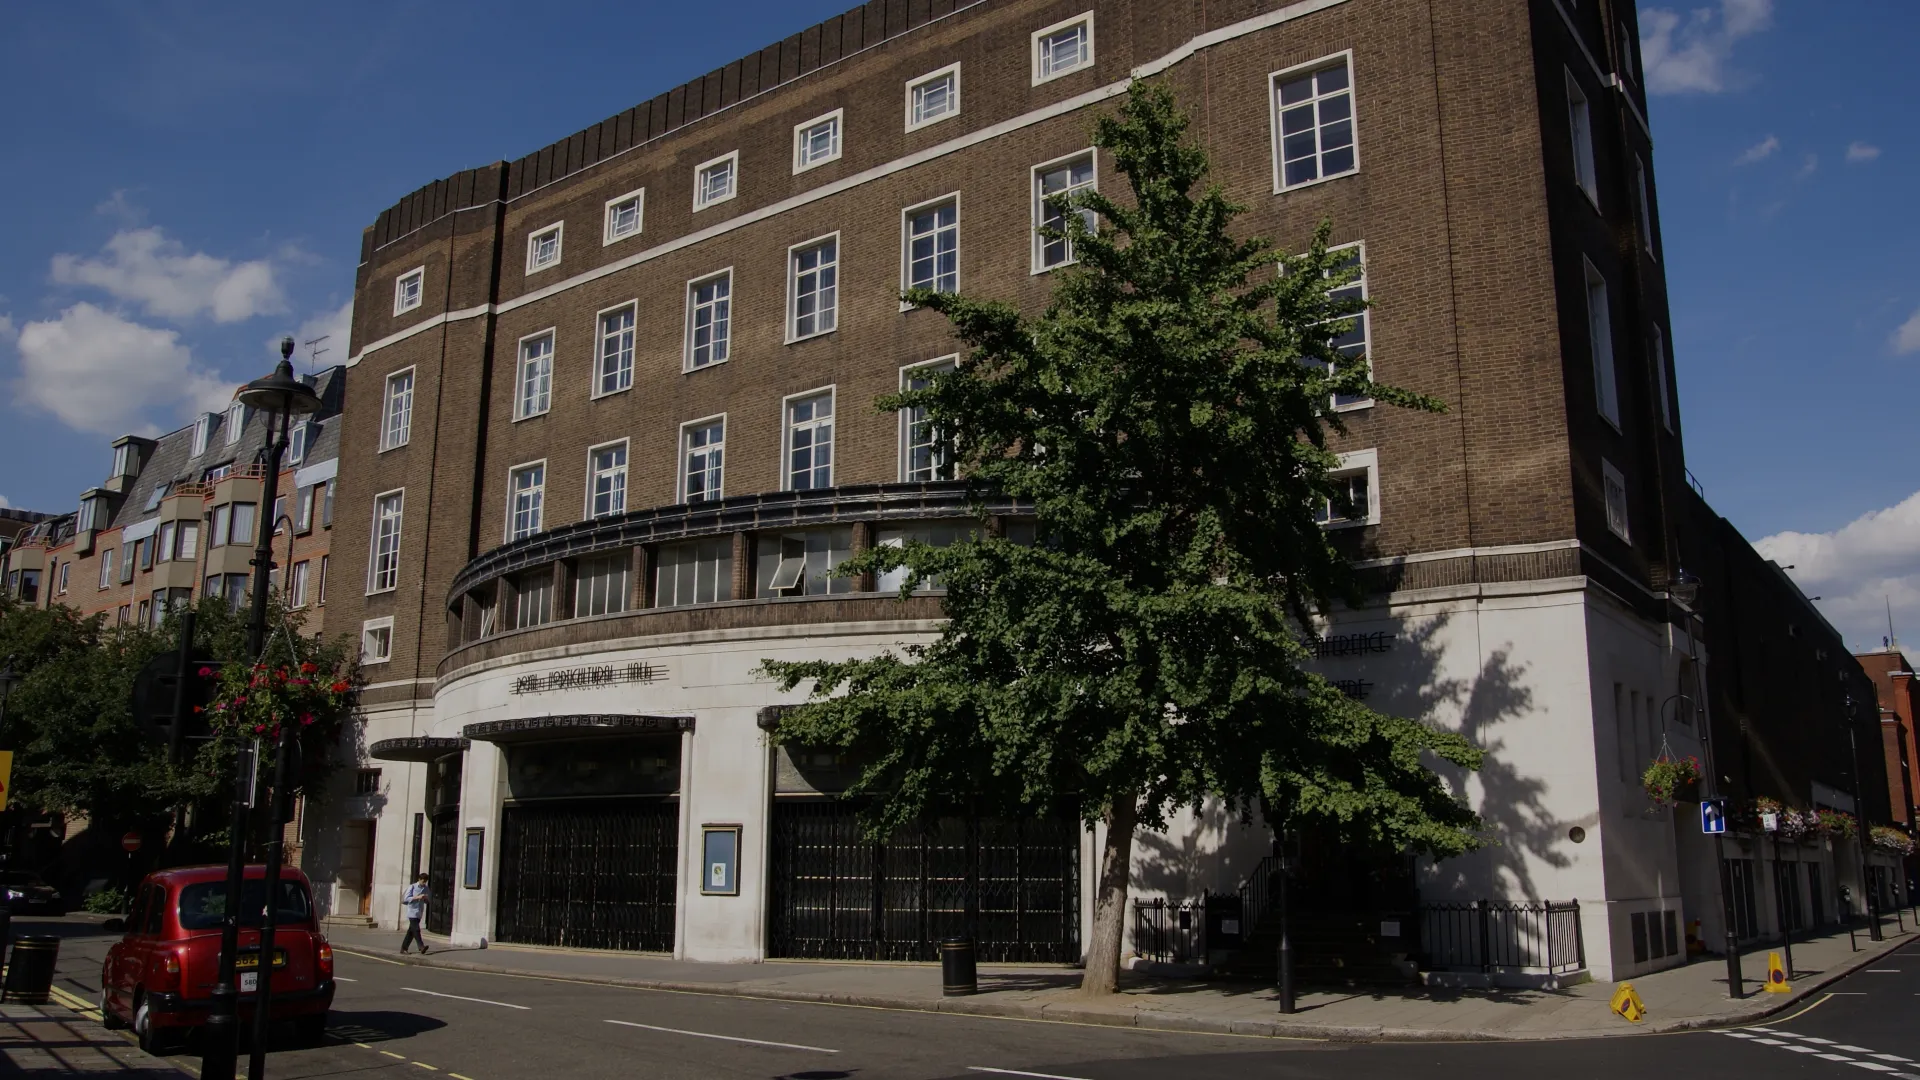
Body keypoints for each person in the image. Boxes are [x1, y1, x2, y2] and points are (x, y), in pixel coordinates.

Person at [401, 874, 429, 955]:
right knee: (416, 929)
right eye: (423, 881)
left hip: (419, 912)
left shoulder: (426, 888)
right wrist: (417, 897)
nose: (424, 883)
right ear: (419, 879)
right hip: (412, 912)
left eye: (425, 882)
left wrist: (425, 899)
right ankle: (421, 946)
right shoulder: (412, 887)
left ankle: (403, 948)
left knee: (411, 932)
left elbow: (427, 901)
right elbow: (406, 898)